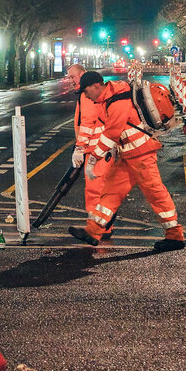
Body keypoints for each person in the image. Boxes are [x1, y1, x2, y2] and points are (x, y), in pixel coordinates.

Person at [68, 71, 185, 252]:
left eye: (86, 91)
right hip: (129, 155)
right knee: (111, 192)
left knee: (155, 193)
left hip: (142, 155)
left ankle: (175, 235)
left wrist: (93, 158)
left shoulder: (117, 100)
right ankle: (93, 231)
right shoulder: (112, 98)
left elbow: (111, 133)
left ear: (96, 86)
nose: (86, 96)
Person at [66, 64, 113, 239]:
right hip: (100, 149)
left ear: (82, 75)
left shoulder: (87, 95)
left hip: (96, 150)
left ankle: (97, 230)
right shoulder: (87, 94)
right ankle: (103, 227)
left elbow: (87, 122)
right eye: (69, 77)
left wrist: (79, 149)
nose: (71, 81)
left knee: (95, 191)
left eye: (73, 77)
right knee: (102, 190)